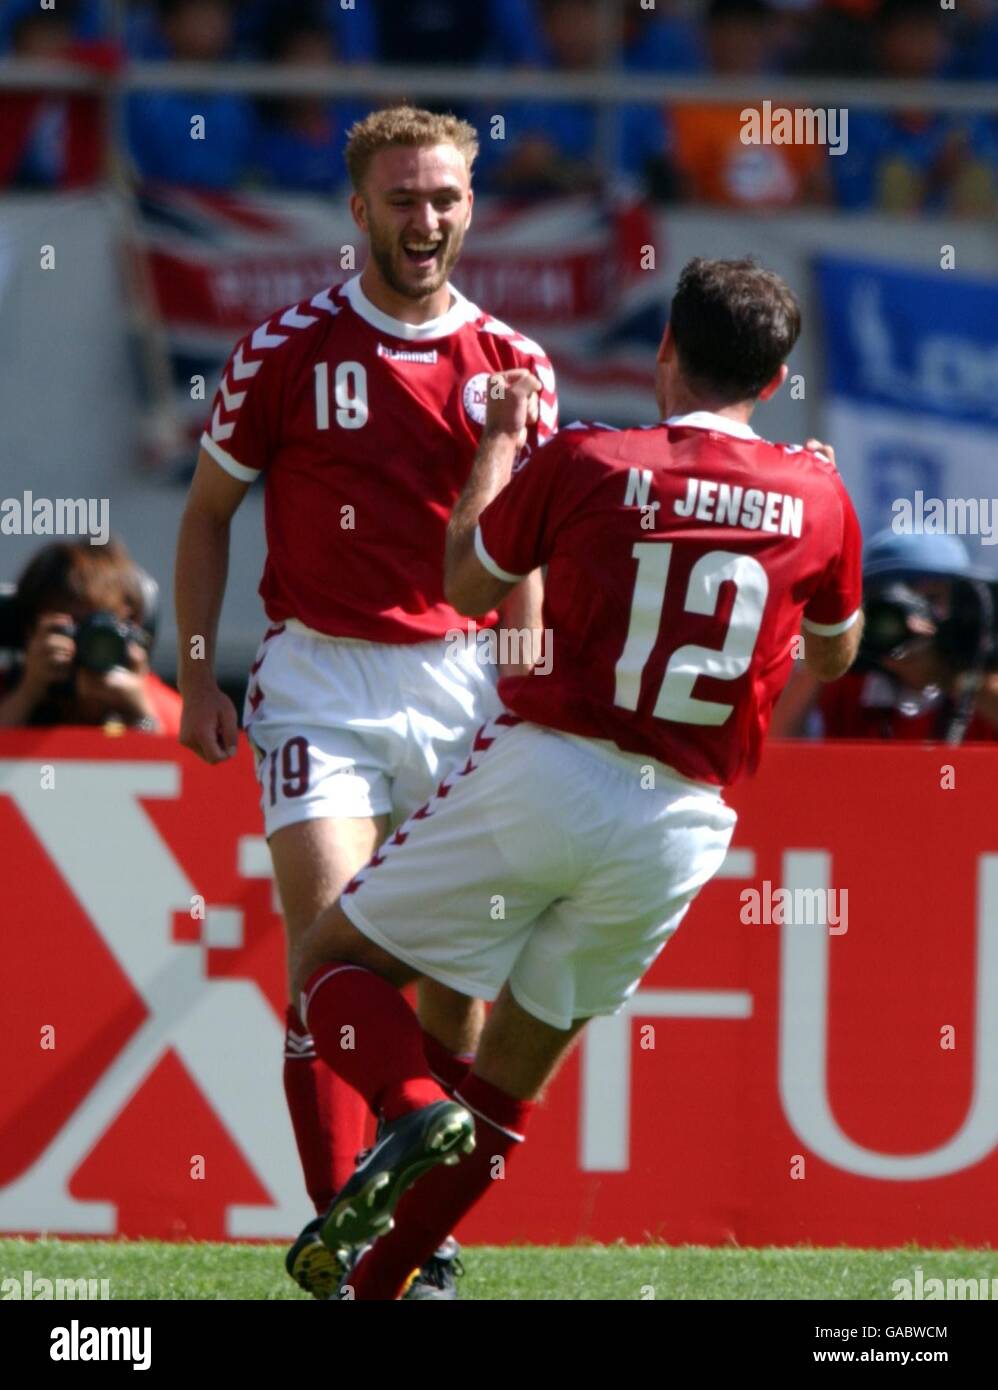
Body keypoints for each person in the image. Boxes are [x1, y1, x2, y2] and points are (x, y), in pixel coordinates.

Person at [288, 256, 865, 1299]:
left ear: (663, 348)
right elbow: (832, 655)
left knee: (332, 965)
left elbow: (464, 578)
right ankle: (384, 1286)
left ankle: (412, 1100)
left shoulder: (591, 460)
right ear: (773, 382)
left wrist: (500, 443)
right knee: (513, 1074)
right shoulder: (818, 492)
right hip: (682, 821)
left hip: (551, 766)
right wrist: (811, 502)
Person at [174, 105, 557, 1299]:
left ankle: (420, 1237)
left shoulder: (514, 364)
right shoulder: (283, 349)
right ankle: (354, 1207)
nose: (424, 218)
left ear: (469, 206)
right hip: (317, 679)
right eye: (401, 197)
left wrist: (532, 669)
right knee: (329, 953)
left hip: (461, 680)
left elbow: (522, 545)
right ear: (357, 210)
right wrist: (196, 669)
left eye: (442, 197)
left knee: (459, 991)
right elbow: (204, 513)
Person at [773, 530, 998, 741]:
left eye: (931, 599)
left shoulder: (983, 684)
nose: (911, 622)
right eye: (891, 606)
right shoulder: (845, 683)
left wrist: (954, 677)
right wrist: (824, 644)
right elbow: (775, 751)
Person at [0, 539, 179, 735]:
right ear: (30, 632)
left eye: (99, 629)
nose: (84, 645)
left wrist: (140, 715)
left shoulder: (168, 711)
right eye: (69, 629)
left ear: (133, 630)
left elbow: (185, 760)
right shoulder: (10, 694)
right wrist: (28, 694)